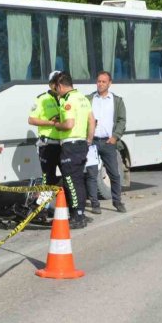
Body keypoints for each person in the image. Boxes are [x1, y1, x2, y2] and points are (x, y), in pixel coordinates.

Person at [52, 71, 96, 228]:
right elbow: (92, 121)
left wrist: (56, 124)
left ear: (61, 86)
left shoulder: (68, 100)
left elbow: (69, 124)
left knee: (70, 181)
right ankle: (81, 214)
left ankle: (77, 216)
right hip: (82, 144)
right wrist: (89, 140)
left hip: (70, 145)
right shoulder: (83, 98)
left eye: (56, 88)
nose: (56, 91)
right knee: (79, 181)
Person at [87, 71, 127, 213]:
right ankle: (94, 204)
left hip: (108, 142)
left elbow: (122, 120)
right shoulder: (89, 99)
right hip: (92, 143)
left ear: (110, 83)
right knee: (91, 174)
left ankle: (117, 201)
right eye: (99, 81)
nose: (101, 84)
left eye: (104, 82)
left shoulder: (116, 100)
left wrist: (115, 137)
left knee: (114, 174)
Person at [27, 70, 62, 188]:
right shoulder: (42, 99)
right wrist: (51, 123)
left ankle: (68, 204)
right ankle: (45, 205)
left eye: (59, 82)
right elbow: (31, 120)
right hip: (48, 145)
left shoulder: (66, 98)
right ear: (50, 84)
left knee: (68, 177)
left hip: (64, 144)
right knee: (48, 178)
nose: (57, 85)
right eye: (55, 82)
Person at [84, 142, 100, 210]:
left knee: (91, 178)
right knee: (91, 179)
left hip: (89, 150)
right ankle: (95, 204)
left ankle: (94, 204)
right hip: (88, 150)